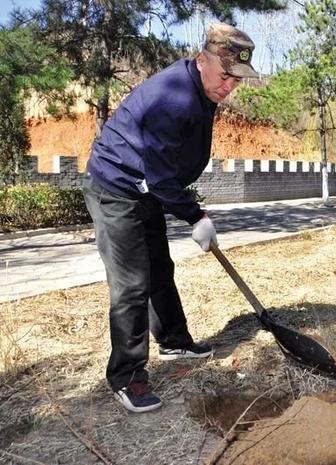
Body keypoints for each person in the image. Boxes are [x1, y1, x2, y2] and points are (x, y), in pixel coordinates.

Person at [82, 23, 258, 413]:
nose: (230, 86)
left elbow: (165, 170)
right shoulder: (173, 97)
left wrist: (191, 209)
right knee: (130, 286)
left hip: (144, 188)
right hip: (116, 188)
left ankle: (175, 340)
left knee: (159, 269)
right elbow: (160, 175)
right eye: (225, 75)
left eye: (237, 79)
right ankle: (127, 376)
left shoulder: (202, 87)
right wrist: (196, 215)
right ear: (201, 61)